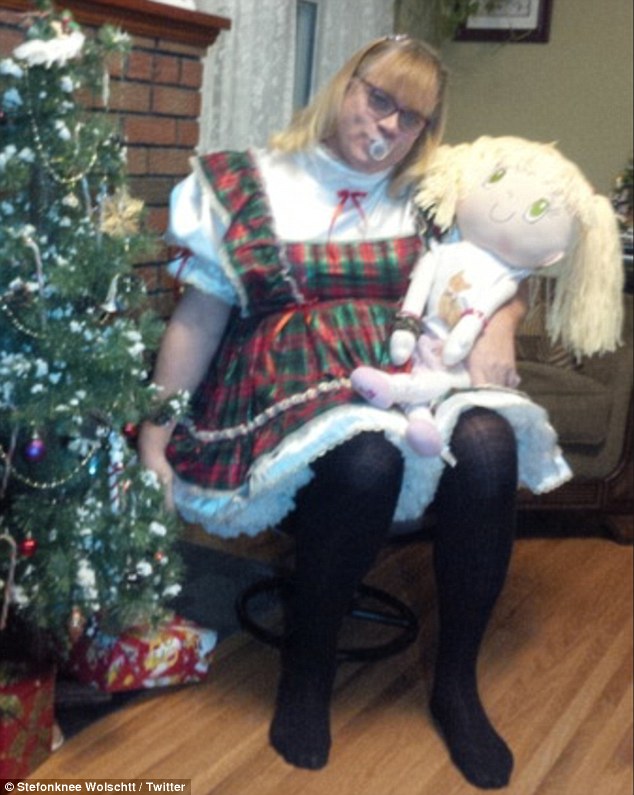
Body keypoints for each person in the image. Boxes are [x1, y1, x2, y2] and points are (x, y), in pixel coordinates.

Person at [138, 36, 568, 790]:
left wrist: (502, 323)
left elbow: (505, 264)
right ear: (347, 84)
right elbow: (197, 321)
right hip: (287, 386)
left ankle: (457, 685)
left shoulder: (433, 192)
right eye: (380, 99)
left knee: (490, 445)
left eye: (413, 117)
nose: (390, 126)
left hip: (413, 373)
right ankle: (307, 672)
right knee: (365, 460)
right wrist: (154, 437)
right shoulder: (247, 182)